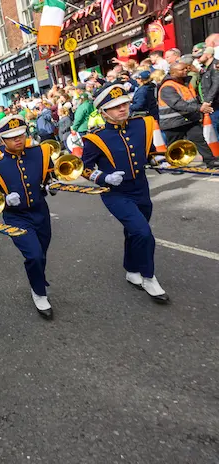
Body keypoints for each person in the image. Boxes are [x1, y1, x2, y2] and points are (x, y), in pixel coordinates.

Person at [81, 84, 169, 302]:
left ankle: (131, 270)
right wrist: (103, 178)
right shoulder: (95, 138)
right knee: (143, 232)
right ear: (103, 112)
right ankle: (149, 277)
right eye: (115, 106)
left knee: (134, 232)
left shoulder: (143, 124)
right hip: (115, 192)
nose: (122, 109)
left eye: (125, 104)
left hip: (141, 187)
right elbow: (84, 168)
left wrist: (159, 160)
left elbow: (149, 152)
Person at [0, 115, 56, 318]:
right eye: (12, 137)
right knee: (33, 254)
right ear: (2, 140)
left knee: (41, 252)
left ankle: (37, 279)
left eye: (21, 135)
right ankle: (39, 292)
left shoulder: (40, 152)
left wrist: (52, 185)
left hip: (40, 210)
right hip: (16, 217)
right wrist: (5, 200)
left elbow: (49, 177)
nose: (18, 140)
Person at [158, 61, 219, 166]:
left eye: (186, 68)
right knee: (174, 145)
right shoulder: (167, 87)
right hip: (173, 123)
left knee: (199, 140)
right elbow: (178, 104)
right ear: (173, 72)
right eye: (182, 69)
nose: (186, 70)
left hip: (189, 119)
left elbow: (193, 99)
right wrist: (200, 108)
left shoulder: (186, 83)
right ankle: (175, 164)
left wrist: (201, 106)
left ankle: (210, 161)